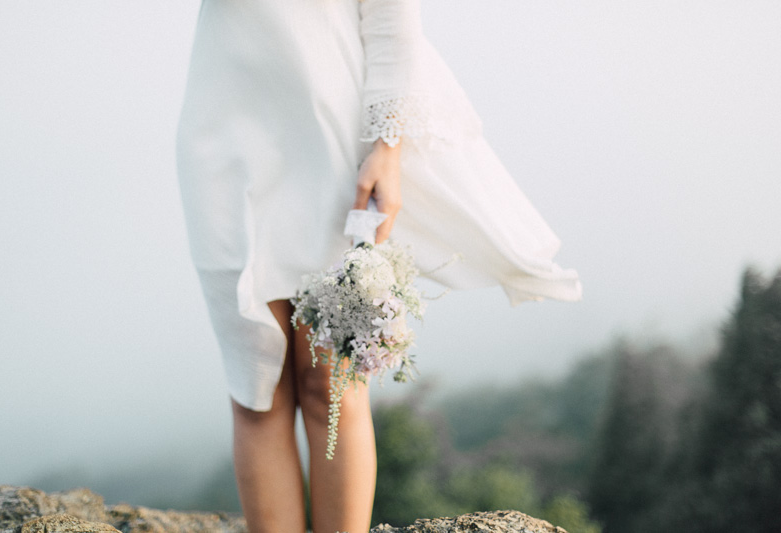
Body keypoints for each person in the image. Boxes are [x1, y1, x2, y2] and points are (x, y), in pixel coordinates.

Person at [175, 0, 582, 531]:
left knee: (330, 383)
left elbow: (393, 17)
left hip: (331, 138)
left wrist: (387, 146)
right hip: (223, 141)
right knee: (256, 388)